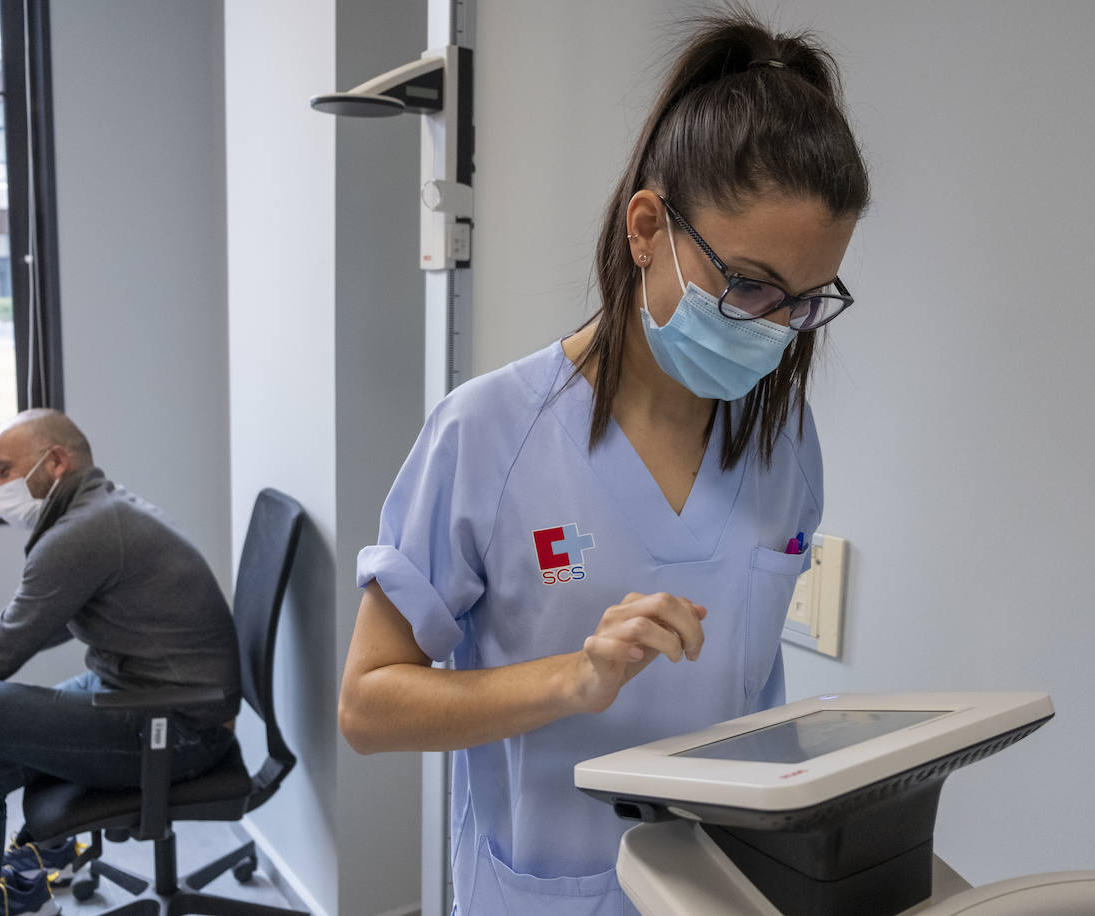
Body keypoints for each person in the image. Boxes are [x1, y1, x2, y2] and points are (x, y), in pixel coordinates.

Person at [339, 11, 869, 915]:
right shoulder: (488, 435)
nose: (775, 328)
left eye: (804, 301)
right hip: (545, 896)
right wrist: (573, 680)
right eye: (746, 286)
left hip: (721, 894)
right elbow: (369, 706)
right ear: (648, 227)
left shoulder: (785, 444)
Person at [0, 408, 241, 916]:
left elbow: (11, 641)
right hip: (142, 695)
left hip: (177, 727)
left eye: (4, 470)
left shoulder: (84, 529)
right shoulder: (97, 511)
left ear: (56, 461)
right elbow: (40, 622)